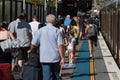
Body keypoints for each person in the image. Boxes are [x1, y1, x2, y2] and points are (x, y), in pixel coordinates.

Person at [27, 14, 64, 80]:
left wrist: (30, 49)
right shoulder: (57, 31)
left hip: (44, 57)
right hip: (55, 57)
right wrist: (62, 57)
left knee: (46, 77)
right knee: (56, 76)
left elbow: (34, 43)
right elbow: (60, 45)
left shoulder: (40, 31)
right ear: (54, 21)